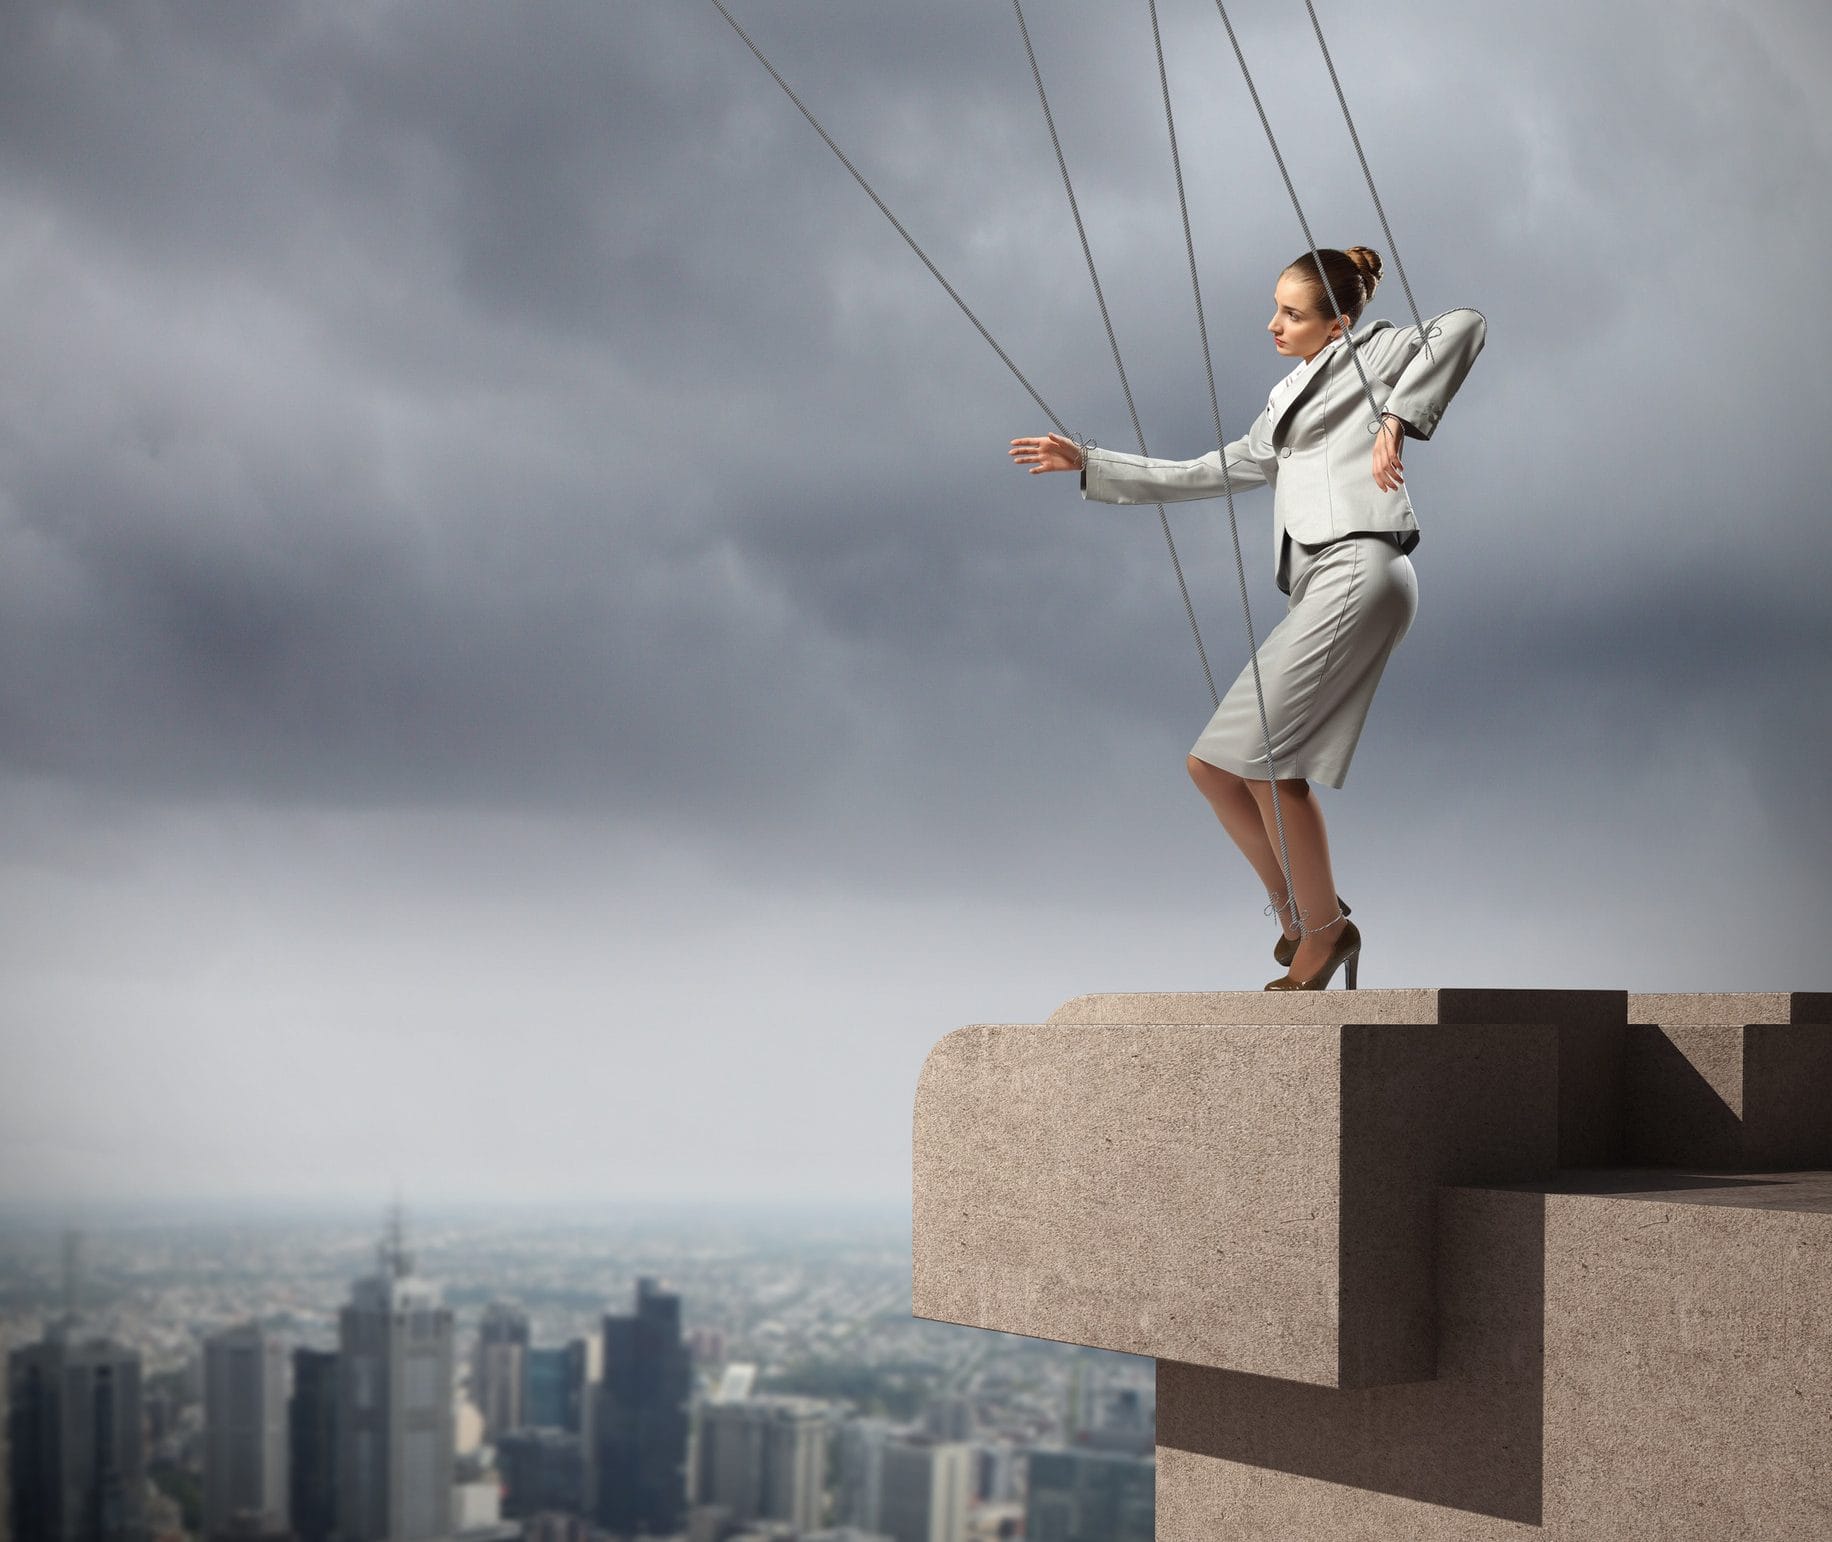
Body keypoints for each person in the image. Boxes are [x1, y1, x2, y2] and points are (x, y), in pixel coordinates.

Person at [1009, 246, 1485, 989]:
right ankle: (1299, 916)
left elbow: (1463, 324)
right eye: (1276, 308)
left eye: (1292, 313)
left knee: (1267, 763)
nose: (1274, 323)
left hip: (1360, 562)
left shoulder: (1374, 351)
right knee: (1213, 768)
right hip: (1325, 581)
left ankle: (1326, 933)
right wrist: (1091, 464)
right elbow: (1211, 469)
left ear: (1339, 323)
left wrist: (1396, 417)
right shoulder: (1285, 397)